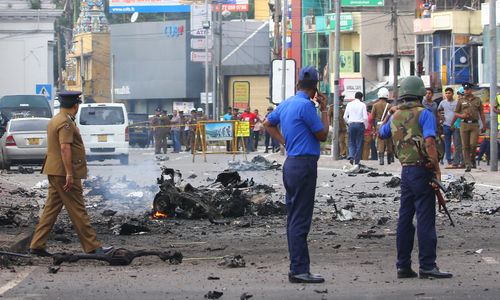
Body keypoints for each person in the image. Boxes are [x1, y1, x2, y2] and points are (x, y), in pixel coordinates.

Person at [379, 76, 452, 280]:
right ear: (420, 94)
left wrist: (391, 113)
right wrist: (437, 168)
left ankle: (403, 266)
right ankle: (428, 266)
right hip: (422, 169)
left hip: (406, 171)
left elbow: (381, 133)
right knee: (425, 218)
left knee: (404, 218)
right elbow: (429, 142)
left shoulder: (395, 116)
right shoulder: (424, 114)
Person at [264, 66, 329, 284]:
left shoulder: (286, 104)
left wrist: (284, 142)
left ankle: (297, 267)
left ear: (297, 84)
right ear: (315, 88)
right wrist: (325, 110)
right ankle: (300, 269)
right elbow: (322, 135)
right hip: (304, 166)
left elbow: (267, 123)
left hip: (291, 163)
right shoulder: (306, 106)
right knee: (301, 219)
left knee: (293, 217)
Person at [29, 91, 112, 256]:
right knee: (77, 209)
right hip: (63, 173)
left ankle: (37, 245)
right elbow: (64, 147)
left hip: (54, 171)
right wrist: (69, 174)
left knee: (51, 209)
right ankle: (93, 247)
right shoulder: (65, 123)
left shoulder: (56, 119)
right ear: (76, 105)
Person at [452, 82, 486, 172]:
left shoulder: (477, 100)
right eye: (465, 89)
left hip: (474, 124)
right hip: (464, 124)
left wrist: (484, 124)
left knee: (473, 144)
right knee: (465, 146)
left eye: (468, 89)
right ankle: (468, 164)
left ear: (471, 90)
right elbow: (455, 112)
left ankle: (472, 160)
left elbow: (481, 113)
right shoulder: (461, 100)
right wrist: (461, 116)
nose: (466, 91)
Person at [343, 91, 368, 165]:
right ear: (361, 98)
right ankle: (357, 161)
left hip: (351, 124)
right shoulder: (363, 105)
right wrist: (365, 126)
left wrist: (349, 123)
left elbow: (344, 117)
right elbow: (365, 118)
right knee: (359, 143)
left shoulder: (349, 104)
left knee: (351, 142)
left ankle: (351, 156)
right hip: (360, 125)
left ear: (355, 97)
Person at [371, 87, 394, 165]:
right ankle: (389, 159)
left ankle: (381, 160)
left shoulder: (375, 105)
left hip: (379, 126)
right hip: (388, 125)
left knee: (381, 142)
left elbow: (372, 117)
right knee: (389, 141)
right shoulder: (389, 106)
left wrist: (374, 128)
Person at [438, 87, 458, 166]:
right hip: (446, 125)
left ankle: (456, 159)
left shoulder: (457, 103)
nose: (447, 94)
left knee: (457, 143)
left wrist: (454, 123)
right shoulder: (443, 103)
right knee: (447, 143)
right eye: (446, 93)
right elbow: (438, 110)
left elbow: (458, 113)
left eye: (449, 93)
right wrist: (441, 118)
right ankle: (449, 159)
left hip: (456, 125)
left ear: (452, 94)